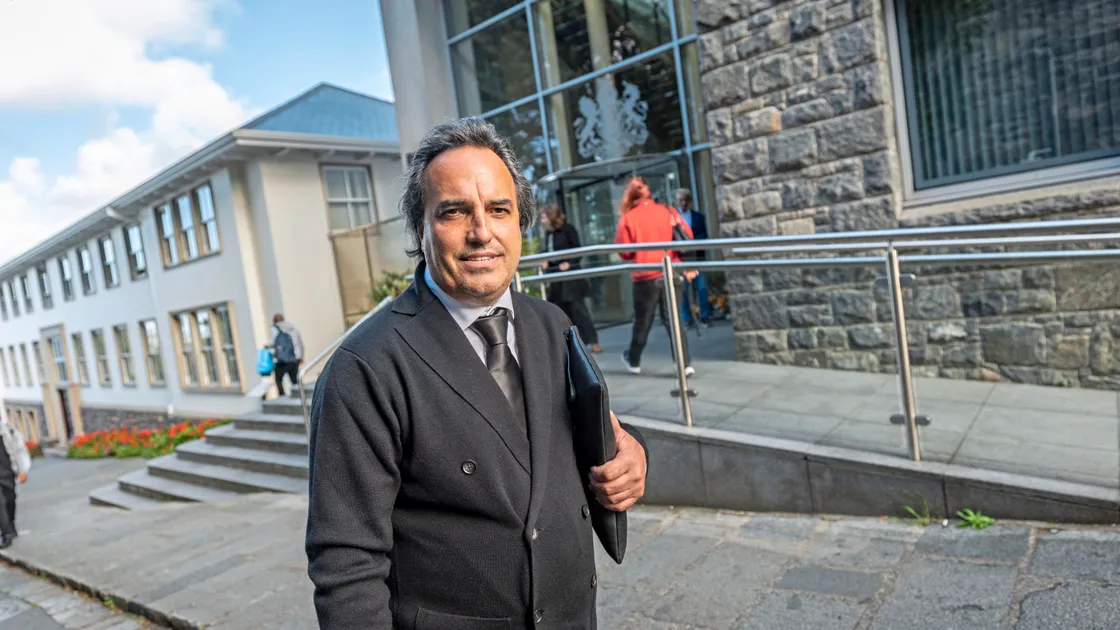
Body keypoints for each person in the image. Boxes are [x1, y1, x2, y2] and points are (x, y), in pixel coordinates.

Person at [305, 118, 649, 629]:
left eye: (499, 210)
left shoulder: (552, 324)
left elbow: (581, 440)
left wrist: (633, 452)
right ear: (420, 229)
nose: (481, 232)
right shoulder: (366, 368)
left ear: (520, 223)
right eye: (454, 212)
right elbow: (346, 565)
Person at [614, 176, 697, 376]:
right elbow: (688, 237)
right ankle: (684, 364)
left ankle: (633, 360)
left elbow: (625, 252)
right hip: (671, 270)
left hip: (646, 274)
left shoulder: (629, 217)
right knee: (674, 319)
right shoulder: (668, 211)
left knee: (644, 320)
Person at [539, 205, 602, 353]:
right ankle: (565, 344)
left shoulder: (568, 229)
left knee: (578, 309)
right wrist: (545, 260)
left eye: (544, 217)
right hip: (555, 277)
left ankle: (592, 341)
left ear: (551, 217)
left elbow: (577, 250)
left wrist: (569, 262)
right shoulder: (548, 233)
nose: (542, 220)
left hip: (570, 278)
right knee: (557, 310)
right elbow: (547, 250)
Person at [674, 188, 711, 326]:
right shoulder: (673, 219)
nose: (683, 203)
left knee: (701, 288)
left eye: (685, 200)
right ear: (677, 202)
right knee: (683, 290)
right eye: (680, 200)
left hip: (697, 258)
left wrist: (693, 243)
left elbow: (704, 235)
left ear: (689, 201)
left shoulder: (698, 217)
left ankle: (705, 315)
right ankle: (686, 319)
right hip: (681, 259)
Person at [0, 419, 31, 549]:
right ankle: (6, 534)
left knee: (10, 499)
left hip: (7, 472)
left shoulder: (9, 431)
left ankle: (10, 523)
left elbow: (20, 450)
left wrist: (23, 470)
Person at [270, 314, 304, 397]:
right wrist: (300, 357)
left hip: (281, 360)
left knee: (278, 379)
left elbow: (274, 344)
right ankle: (299, 396)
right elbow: (300, 343)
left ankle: (282, 396)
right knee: (294, 380)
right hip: (294, 358)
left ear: (275, 321)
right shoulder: (292, 328)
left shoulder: (275, 329)